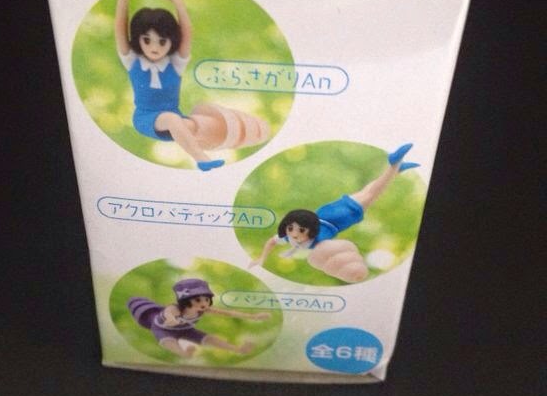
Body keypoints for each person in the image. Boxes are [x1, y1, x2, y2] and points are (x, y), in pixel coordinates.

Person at [115, 0, 269, 170]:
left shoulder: (175, 64)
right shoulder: (133, 62)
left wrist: (178, 0)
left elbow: (187, 32)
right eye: (147, 40)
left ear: (172, 41)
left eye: (162, 42)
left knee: (194, 125)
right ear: (138, 40)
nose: (154, 47)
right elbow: (120, 29)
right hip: (146, 118)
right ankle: (202, 159)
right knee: (173, 120)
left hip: (177, 120)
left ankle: (239, 132)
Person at [249, 144, 420, 283]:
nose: (295, 235)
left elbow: (332, 250)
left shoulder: (317, 240)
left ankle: (394, 164)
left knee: (373, 193)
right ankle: (397, 170)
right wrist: (261, 258)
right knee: (366, 191)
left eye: (300, 230)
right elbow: (272, 241)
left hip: (341, 217)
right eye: (291, 230)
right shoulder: (290, 238)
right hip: (328, 211)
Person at [127, 278, 270, 357]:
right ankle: (183, 353)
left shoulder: (203, 310)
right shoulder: (176, 309)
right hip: (163, 329)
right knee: (168, 341)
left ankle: (238, 349)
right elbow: (168, 313)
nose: (204, 304)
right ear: (185, 300)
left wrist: (253, 316)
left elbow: (229, 313)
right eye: (197, 300)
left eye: (206, 300)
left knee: (209, 338)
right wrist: (171, 320)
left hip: (186, 329)